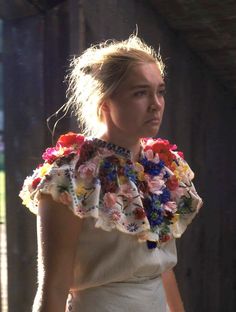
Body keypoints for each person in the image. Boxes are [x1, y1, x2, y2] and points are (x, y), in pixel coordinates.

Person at [19, 35, 203, 312]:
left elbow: (162, 269)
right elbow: (54, 287)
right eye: (140, 92)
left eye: (160, 91)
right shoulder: (71, 176)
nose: (156, 104)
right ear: (105, 102)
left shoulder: (163, 169)